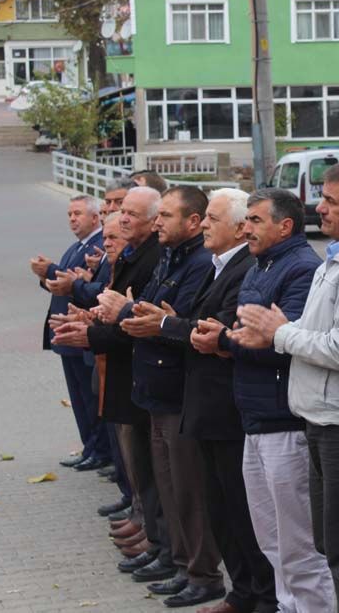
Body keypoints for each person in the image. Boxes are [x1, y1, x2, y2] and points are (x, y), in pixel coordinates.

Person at [232, 161, 339, 613]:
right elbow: (317, 328)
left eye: (329, 200)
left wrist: (279, 334)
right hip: (321, 419)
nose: (318, 208)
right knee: (331, 543)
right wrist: (283, 329)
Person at [193, 188, 335, 613]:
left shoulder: (302, 268)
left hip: (283, 420)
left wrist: (226, 341)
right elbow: (247, 330)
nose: (246, 228)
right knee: (271, 540)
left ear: (284, 226)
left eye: (255, 220)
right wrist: (233, 338)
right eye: (246, 220)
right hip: (252, 416)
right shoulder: (260, 265)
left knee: (298, 545)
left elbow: (282, 342)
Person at [160, 188, 277, 613]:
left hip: (228, 408)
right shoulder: (216, 265)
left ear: (238, 226)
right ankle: (242, 591)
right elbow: (198, 322)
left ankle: (261, 596)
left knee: (243, 514)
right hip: (206, 406)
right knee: (221, 510)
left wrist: (165, 324)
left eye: (212, 218)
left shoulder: (244, 268)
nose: (204, 224)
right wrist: (174, 321)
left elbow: (221, 328)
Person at [117, 186, 224, 607]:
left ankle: (202, 573)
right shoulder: (170, 254)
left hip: (178, 391)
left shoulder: (199, 262)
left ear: (192, 222)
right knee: (168, 485)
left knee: (189, 490)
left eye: (166, 215)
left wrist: (148, 318)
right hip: (156, 391)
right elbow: (151, 309)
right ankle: (180, 562)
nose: (158, 223)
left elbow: (177, 321)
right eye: (157, 215)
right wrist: (138, 314)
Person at [56, 187, 169, 572]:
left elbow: (142, 319)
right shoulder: (141, 256)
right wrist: (92, 320)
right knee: (138, 465)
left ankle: (171, 549)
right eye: (119, 213)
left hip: (147, 376)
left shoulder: (156, 258)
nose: (120, 220)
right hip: (129, 375)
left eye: (128, 215)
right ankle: (152, 533)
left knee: (159, 475)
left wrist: (95, 329)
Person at [29, 196, 105, 470]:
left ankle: (99, 449)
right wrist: (45, 276)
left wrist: (50, 269)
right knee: (79, 398)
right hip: (66, 334)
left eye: (78, 214)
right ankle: (90, 446)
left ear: (95, 218)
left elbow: (85, 287)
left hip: (83, 334)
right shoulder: (77, 246)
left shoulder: (98, 247)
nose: (72, 219)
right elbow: (63, 283)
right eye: (70, 214)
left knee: (90, 397)